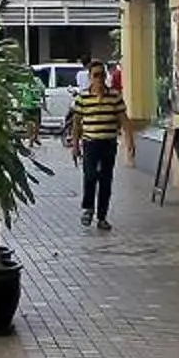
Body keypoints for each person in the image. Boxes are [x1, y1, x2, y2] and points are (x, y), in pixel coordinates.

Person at [68, 63, 125, 233]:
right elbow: (77, 123)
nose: (99, 79)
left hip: (108, 142)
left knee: (106, 180)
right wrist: (75, 145)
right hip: (90, 143)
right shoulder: (82, 98)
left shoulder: (114, 97)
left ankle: (102, 217)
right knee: (90, 176)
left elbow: (123, 118)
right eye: (95, 75)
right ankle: (88, 208)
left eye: (101, 75)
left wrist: (130, 141)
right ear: (90, 78)